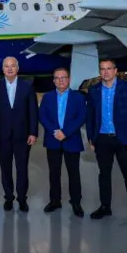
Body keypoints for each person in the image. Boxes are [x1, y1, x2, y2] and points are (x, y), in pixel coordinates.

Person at [86, 59, 127, 229]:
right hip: (102, 139)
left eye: (109, 69)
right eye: (102, 69)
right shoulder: (94, 90)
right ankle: (105, 207)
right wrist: (92, 137)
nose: (105, 72)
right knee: (104, 175)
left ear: (115, 70)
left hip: (124, 140)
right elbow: (90, 116)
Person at [0, 56, 38, 212]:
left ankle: (22, 199)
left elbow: (33, 111)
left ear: (17, 68)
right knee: (6, 169)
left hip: (23, 136)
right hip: (2, 136)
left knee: (22, 168)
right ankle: (9, 197)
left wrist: (33, 132)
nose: (9, 68)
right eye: (6, 66)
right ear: (2, 69)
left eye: (12, 66)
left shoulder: (27, 87)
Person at [39, 67, 86, 217]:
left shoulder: (78, 97)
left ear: (69, 79)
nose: (60, 80)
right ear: (53, 81)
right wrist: (55, 131)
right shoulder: (47, 97)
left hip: (71, 140)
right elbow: (43, 116)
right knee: (54, 173)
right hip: (53, 140)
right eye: (57, 78)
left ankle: (76, 202)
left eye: (63, 77)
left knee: (74, 173)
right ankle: (55, 201)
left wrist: (65, 132)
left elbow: (81, 116)